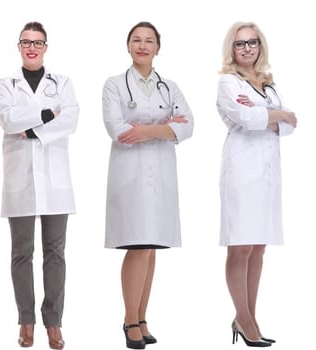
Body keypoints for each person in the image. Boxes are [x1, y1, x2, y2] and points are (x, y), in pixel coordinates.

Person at [102, 21, 194, 349]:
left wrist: (146, 130)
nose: (143, 45)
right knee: (138, 246)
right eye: (136, 40)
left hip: (161, 178)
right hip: (130, 178)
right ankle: (129, 320)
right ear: (128, 46)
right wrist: (162, 127)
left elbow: (188, 126)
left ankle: (142, 317)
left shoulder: (169, 87)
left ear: (158, 47)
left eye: (149, 41)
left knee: (151, 248)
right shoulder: (114, 85)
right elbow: (118, 129)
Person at [0, 21, 79, 350]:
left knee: (55, 254)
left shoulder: (63, 82)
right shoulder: (6, 84)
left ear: (46, 48)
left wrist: (30, 126)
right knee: (21, 253)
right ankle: (26, 321)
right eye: (26, 42)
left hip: (56, 182)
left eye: (38, 42)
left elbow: (71, 119)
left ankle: (54, 323)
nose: (32, 47)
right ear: (19, 46)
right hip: (19, 180)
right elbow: (7, 119)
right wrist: (47, 114)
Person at [217, 21, 297, 348]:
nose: (247, 48)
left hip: (266, 174)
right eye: (240, 44)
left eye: (252, 42)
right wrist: (275, 115)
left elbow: (292, 123)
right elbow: (248, 120)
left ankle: (248, 314)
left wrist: (271, 114)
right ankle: (244, 317)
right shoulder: (227, 82)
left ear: (260, 46)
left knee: (259, 245)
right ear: (232, 49)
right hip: (241, 173)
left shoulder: (268, 83)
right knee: (241, 245)